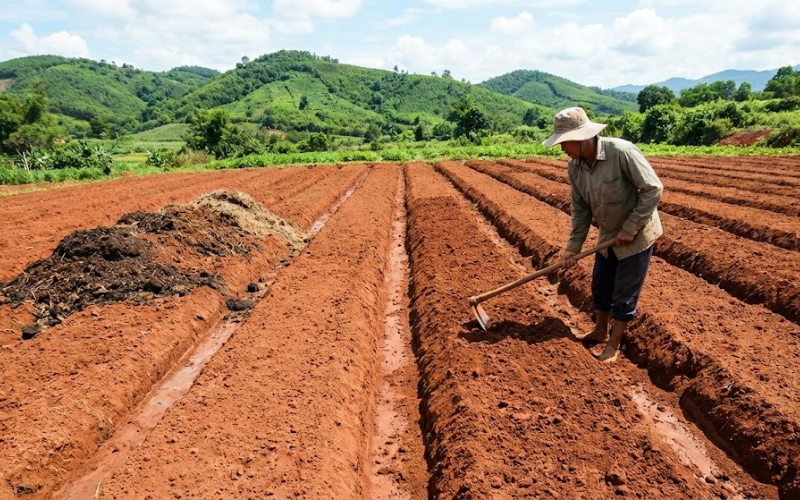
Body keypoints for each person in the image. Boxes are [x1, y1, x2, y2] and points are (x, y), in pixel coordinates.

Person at [542, 107, 663, 362]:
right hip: (608, 236)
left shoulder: (621, 152)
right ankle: (600, 331)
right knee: (600, 285)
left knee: (623, 294)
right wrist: (572, 248)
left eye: (565, 143)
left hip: (637, 237)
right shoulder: (574, 167)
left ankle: (614, 346)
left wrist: (630, 227)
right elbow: (581, 210)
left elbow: (653, 189)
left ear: (582, 137)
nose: (563, 149)